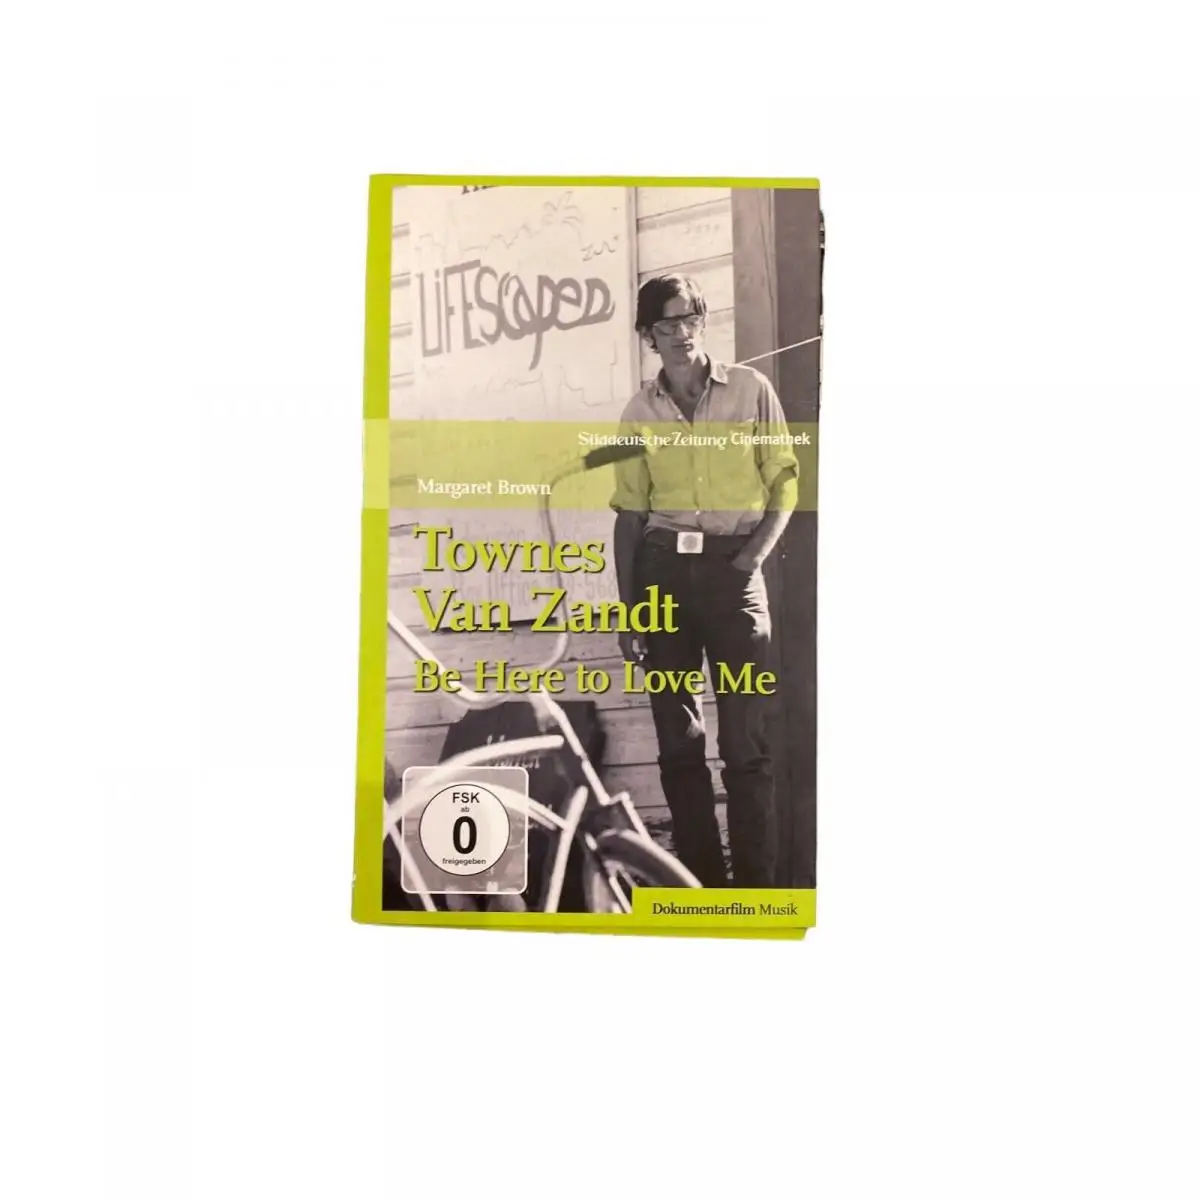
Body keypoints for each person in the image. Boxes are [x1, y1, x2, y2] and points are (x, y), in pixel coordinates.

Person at [609, 274, 800, 888]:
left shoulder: (750, 389)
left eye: (690, 319)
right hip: (663, 577)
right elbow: (630, 516)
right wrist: (632, 611)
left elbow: (785, 481)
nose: (682, 333)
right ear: (648, 335)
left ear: (702, 321)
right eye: (667, 324)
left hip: (733, 577)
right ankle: (700, 887)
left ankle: (754, 892)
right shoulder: (638, 412)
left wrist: (750, 559)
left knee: (745, 744)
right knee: (679, 742)